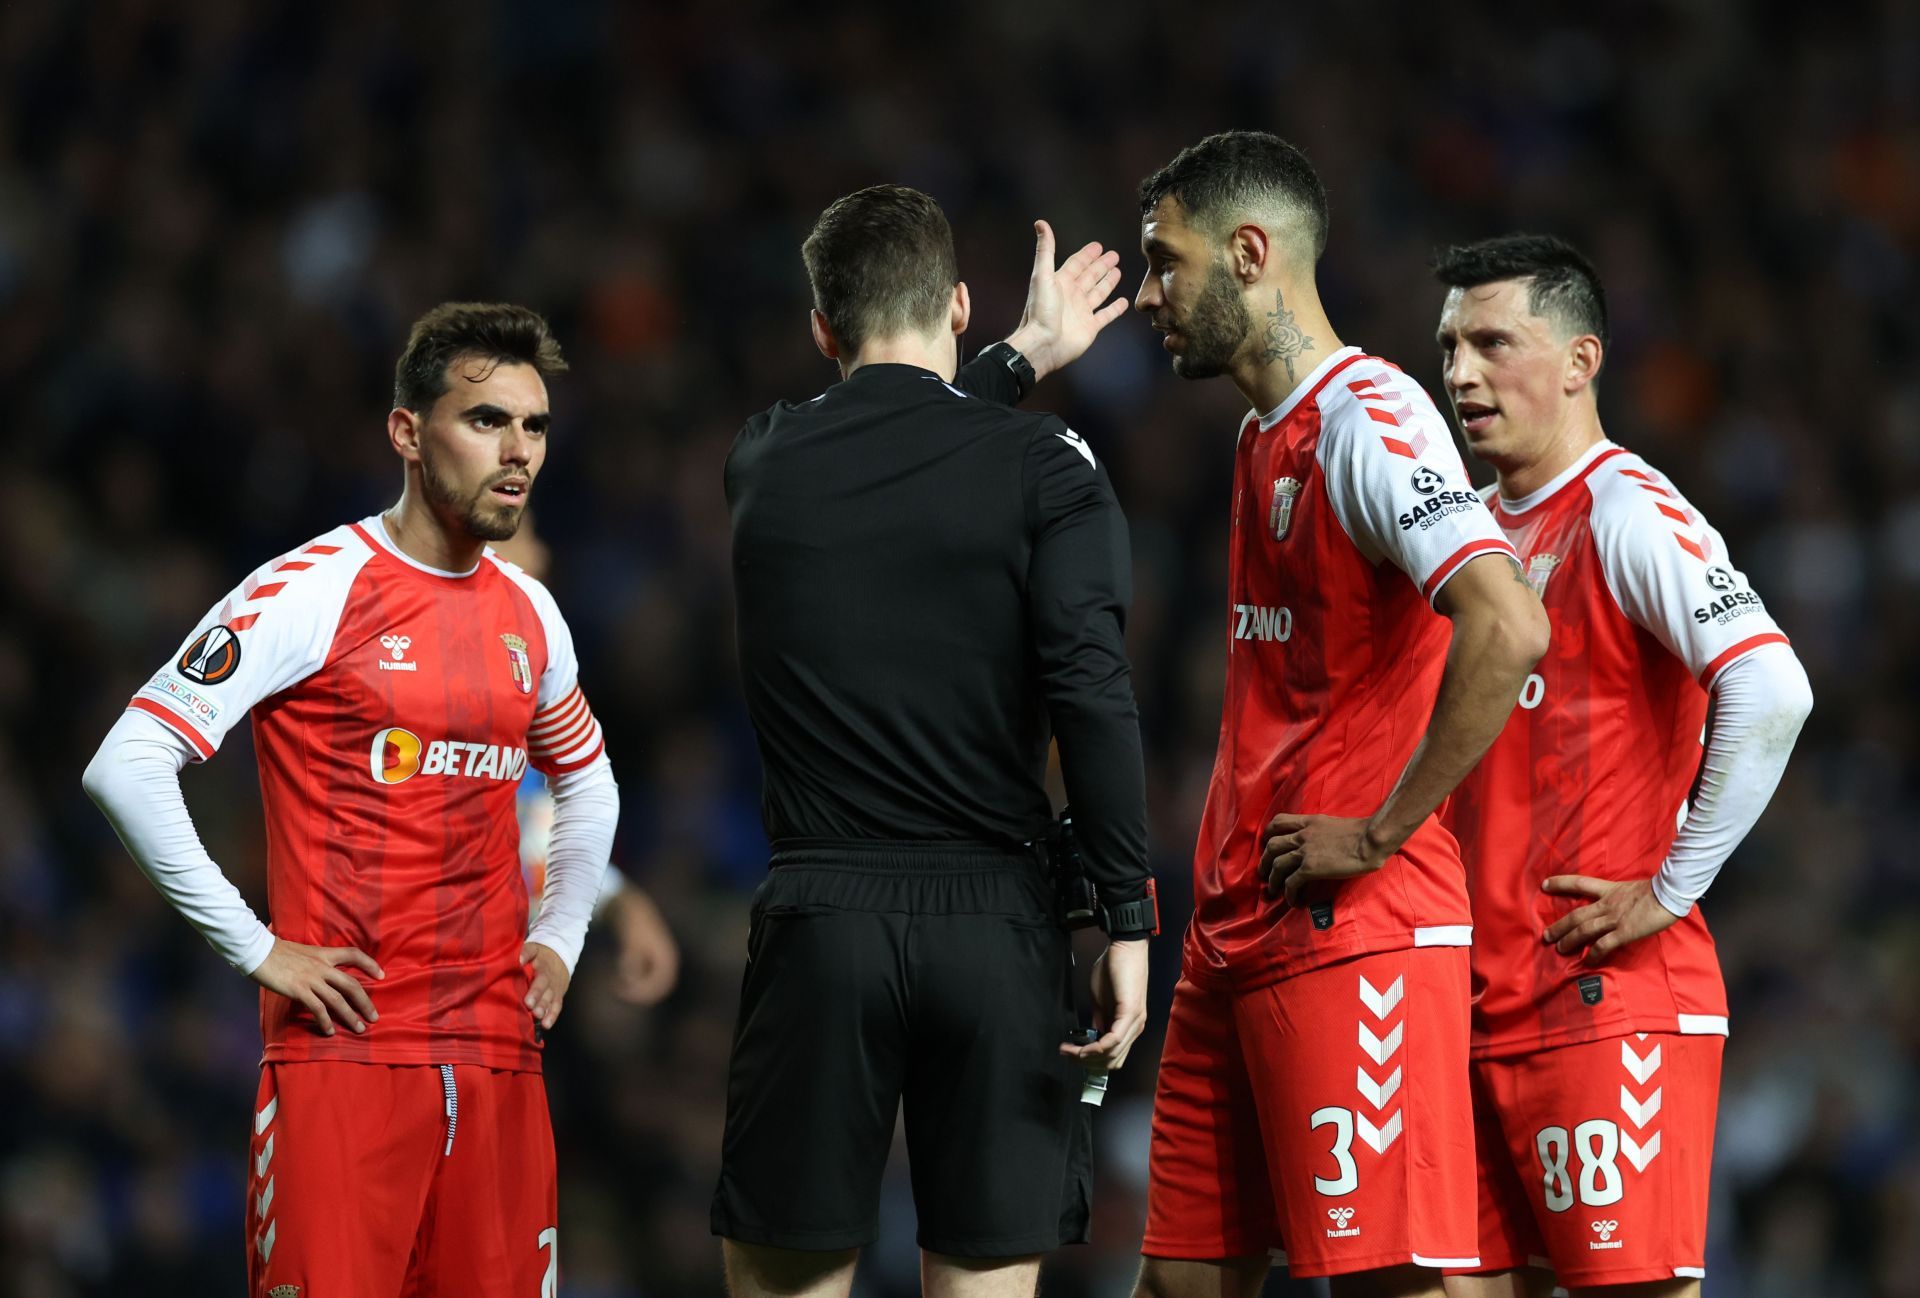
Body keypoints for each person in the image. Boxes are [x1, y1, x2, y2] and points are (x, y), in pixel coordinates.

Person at [81, 303, 617, 1297]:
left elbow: (585, 777)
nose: (519, 451)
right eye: (486, 419)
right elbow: (128, 759)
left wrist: (564, 931)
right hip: (348, 1055)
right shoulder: (312, 590)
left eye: (535, 425)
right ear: (407, 431)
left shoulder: (531, 611)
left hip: (502, 1058)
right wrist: (255, 945)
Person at [712, 186, 1156, 1298]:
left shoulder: (765, 461)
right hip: (997, 930)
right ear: (957, 303)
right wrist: (1129, 916)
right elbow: (1093, 695)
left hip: (824, 927)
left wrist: (1011, 359)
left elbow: (894, 439)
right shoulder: (1051, 465)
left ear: (823, 326)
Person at [1128, 131, 1550, 1297]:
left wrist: (1375, 830)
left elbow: (1507, 623)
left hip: (1351, 925)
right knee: (1179, 1280)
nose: (1150, 293)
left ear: (1249, 252)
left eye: (1166, 263)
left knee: (1388, 1284)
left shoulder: (1370, 420)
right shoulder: (1267, 434)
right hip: (1238, 926)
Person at [1430, 235, 1813, 1297]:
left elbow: (1774, 688)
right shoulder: (1468, 542)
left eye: (1494, 341)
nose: (1461, 371)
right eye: (1450, 344)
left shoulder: (1623, 507)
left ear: (1580, 360)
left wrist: (1674, 885)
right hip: (1471, 1007)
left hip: (1603, 1000)